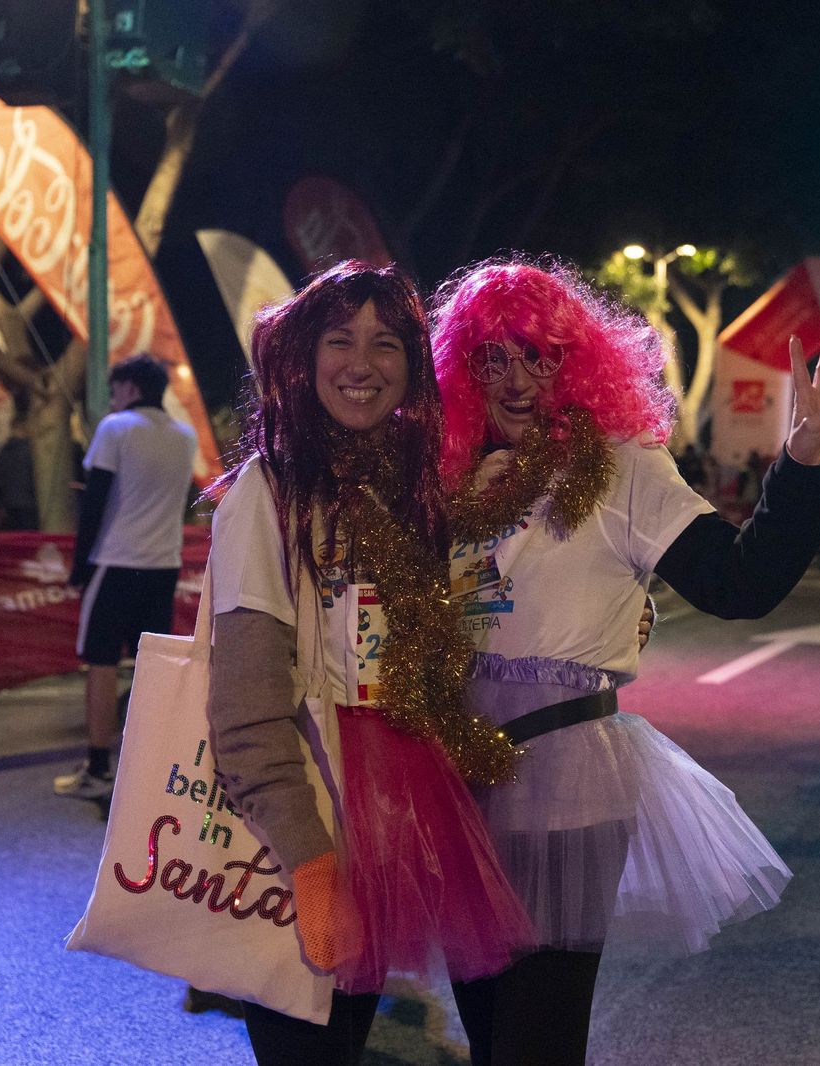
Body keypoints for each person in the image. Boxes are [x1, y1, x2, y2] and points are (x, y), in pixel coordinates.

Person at [430, 260, 820, 1065]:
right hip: (456, 784)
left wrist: (801, 466)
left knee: (535, 1046)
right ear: (464, 368)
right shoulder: (448, 479)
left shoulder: (622, 465)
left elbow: (738, 582)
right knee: (486, 1037)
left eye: (541, 354)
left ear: (575, 361)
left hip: (563, 777)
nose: (518, 378)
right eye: (494, 356)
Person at [203, 261, 532, 1064]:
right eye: (339, 339)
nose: (362, 364)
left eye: (387, 343)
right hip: (307, 817)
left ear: (413, 367)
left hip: (405, 807)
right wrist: (309, 862)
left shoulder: (416, 491)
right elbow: (245, 711)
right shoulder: (267, 492)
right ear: (302, 357)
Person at [55, 354, 198, 799]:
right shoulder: (185, 436)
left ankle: (98, 767)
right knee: (149, 666)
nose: (112, 399)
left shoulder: (115, 429)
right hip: (162, 565)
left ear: (131, 388)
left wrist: (79, 568)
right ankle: (149, 767)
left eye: (115, 389)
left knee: (100, 664)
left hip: (116, 562)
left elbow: (93, 504)